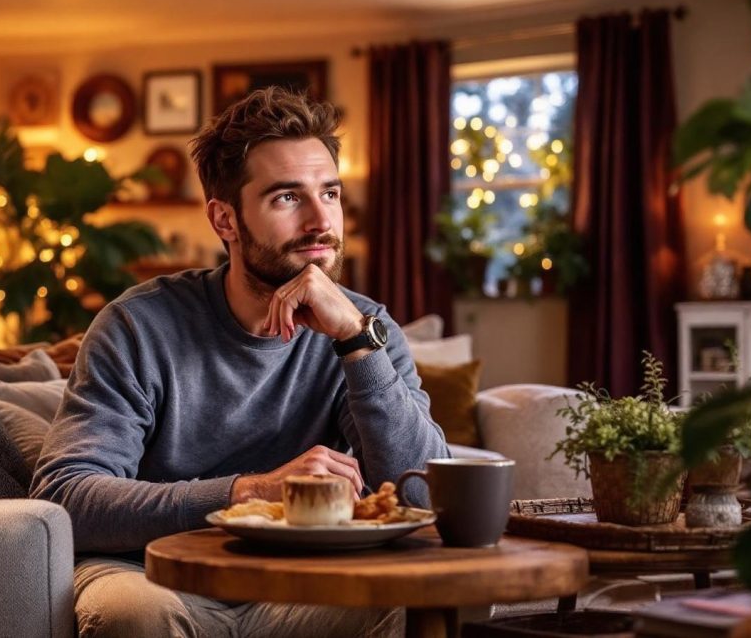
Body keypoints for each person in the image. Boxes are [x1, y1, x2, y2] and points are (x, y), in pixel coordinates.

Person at [30, 86, 449, 637]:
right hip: (156, 574)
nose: (321, 221)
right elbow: (66, 498)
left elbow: (427, 499)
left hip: (307, 583)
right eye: (286, 198)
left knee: (410, 605)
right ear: (224, 219)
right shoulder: (139, 325)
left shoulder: (366, 328)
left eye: (330, 193)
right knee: (131, 615)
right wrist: (248, 492)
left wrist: (354, 341)